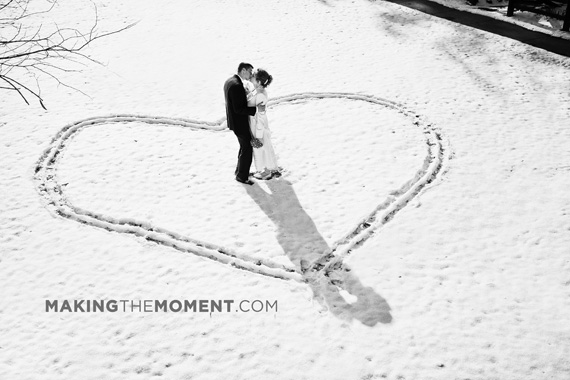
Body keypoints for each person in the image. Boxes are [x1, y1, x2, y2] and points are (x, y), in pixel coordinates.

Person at [223, 63, 265, 185]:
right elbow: (238, 109)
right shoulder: (236, 85)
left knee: (243, 147)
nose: (251, 74)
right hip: (239, 123)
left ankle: (240, 171)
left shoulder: (230, 81)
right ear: (243, 70)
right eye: (250, 71)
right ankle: (242, 176)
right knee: (247, 148)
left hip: (234, 121)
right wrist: (254, 109)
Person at [247, 69, 280, 180]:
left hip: (258, 123)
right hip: (255, 121)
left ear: (259, 82)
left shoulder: (260, 94)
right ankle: (266, 169)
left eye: (254, 76)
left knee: (262, 145)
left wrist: (259, 132)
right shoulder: (257, 90)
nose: (251, 76)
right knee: (262, 146)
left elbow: (258, 111)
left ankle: (267, 171)